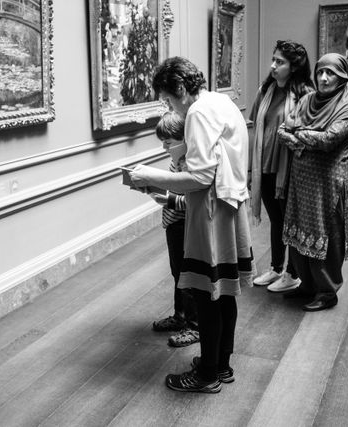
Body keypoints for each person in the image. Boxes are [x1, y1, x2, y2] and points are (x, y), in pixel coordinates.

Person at [130, 56, 255, 393]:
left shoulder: (197, 111)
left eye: (169, 100)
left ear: (182, 89)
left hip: (210, 212)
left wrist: (149, 175)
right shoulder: (221, 101)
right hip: (232, 206)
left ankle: (206, 376)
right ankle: (221, 365)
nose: (171, 107)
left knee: (205, 295)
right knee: (224, 292)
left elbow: (200, 177)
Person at [277, 53, 348, 311]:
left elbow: (330, 140)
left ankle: (327, 291)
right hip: (302, 180)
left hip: (328, 182)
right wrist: (302, 136)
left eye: (330, 73)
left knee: (326, 232)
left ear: (342, 76)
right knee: (300, 229)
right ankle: (307, 284)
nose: (323, 78)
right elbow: (282, 130)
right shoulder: (307, 100)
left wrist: (298, 134)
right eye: (320, 72)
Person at [248, 40, 314, 293]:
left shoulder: (305, 94)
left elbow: (307, 132)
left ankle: (293, 274)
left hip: (289, 169)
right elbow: (255, 126)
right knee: (277, 220)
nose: (273, 65)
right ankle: (276, 268)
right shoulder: (266, 90)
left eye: (280, 62)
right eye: (273, 59)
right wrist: (251, 168)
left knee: (291, 222)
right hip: (264, 165)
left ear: (294, 67)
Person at [150, 112, 200, 348]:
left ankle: (194, 325)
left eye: (168, 143)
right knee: (177, 274)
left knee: (187, 277)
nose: (164, 147)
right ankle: (180, 316)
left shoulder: (191, 162)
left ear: (183, 139)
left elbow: (195, 202)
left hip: (184, 224)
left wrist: (169, 200)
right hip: (173, 223)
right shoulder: (176, 159)